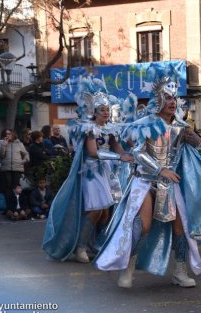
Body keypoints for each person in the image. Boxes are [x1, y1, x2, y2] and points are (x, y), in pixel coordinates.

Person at [94, 77, 201, 289]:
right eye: (167, 97)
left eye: (174, 97)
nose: (172, 101)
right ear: (159, 99)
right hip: (145, 181)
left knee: (181, 226)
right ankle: (129, 267)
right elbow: (137, 152)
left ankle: (180, 271)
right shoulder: (145, 125)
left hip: (169, 184)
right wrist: (160, 169)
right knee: (143, 225)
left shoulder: (183, 128)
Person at [42, 83, 133, 263]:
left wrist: (130, 155)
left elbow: (118, 148)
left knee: (106, 213)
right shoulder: (89, 128)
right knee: (95, 210)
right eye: (102, 110)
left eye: (107, 109)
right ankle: (80, 247)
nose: (106, 113)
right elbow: (92, 152)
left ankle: (94, 245)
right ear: (94, 112)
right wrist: (118, 158)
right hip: (91, 172)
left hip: (107, 172)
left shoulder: (110, 129)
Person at [0, 129, 29, 195]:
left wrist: (24, 160)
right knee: (8, 186)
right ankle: (9, 201)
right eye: (6, 134)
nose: (8, 135)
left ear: (13, 134)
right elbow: (0, 156)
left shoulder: (19, 143)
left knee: (16, 186)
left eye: (9, 134)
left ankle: (16, 201)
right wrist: (4, 145)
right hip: (6, 168)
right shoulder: (1, 143)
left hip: (17, 168)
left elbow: (26, 154)